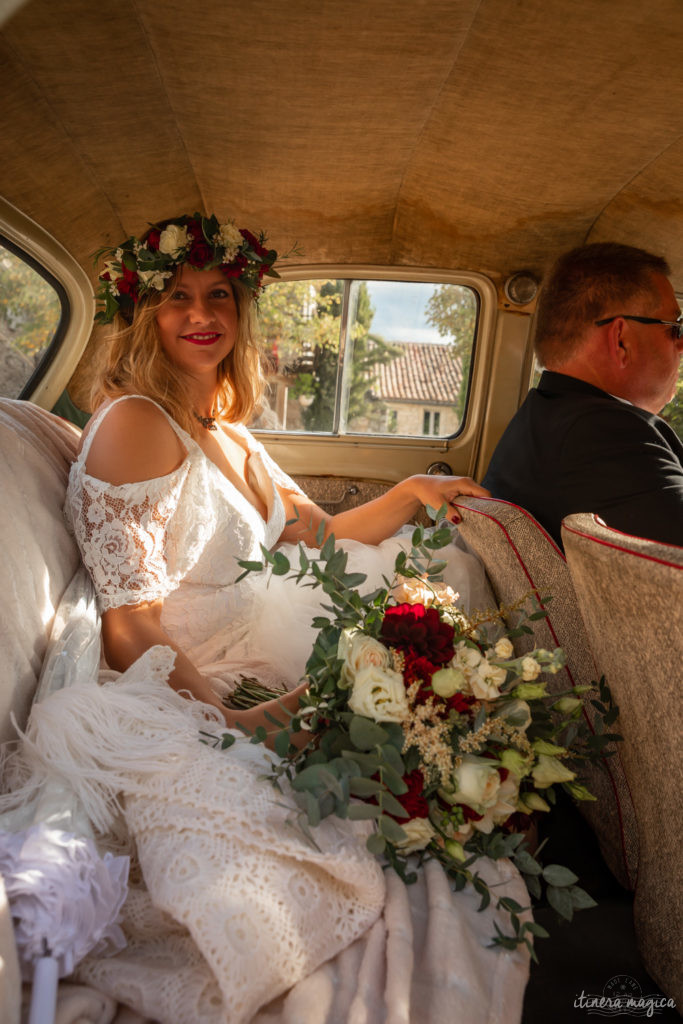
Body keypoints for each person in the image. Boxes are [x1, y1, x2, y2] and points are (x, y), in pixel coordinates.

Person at [23, 214, 530, 1023]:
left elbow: (315, 532)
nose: (203, 315)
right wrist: (235, 721)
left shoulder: (228, 427)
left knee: (453, 577)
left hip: (278, 636)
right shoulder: (136, 425)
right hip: (200, 678)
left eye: (219, 294)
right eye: (177, 298)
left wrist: (410, 494)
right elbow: (129, 627)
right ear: (139, 313)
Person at [483, 242, 683, 548]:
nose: (681, 346)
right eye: (675, 328)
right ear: (621, 341)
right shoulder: (604, 434)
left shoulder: (541, 417)